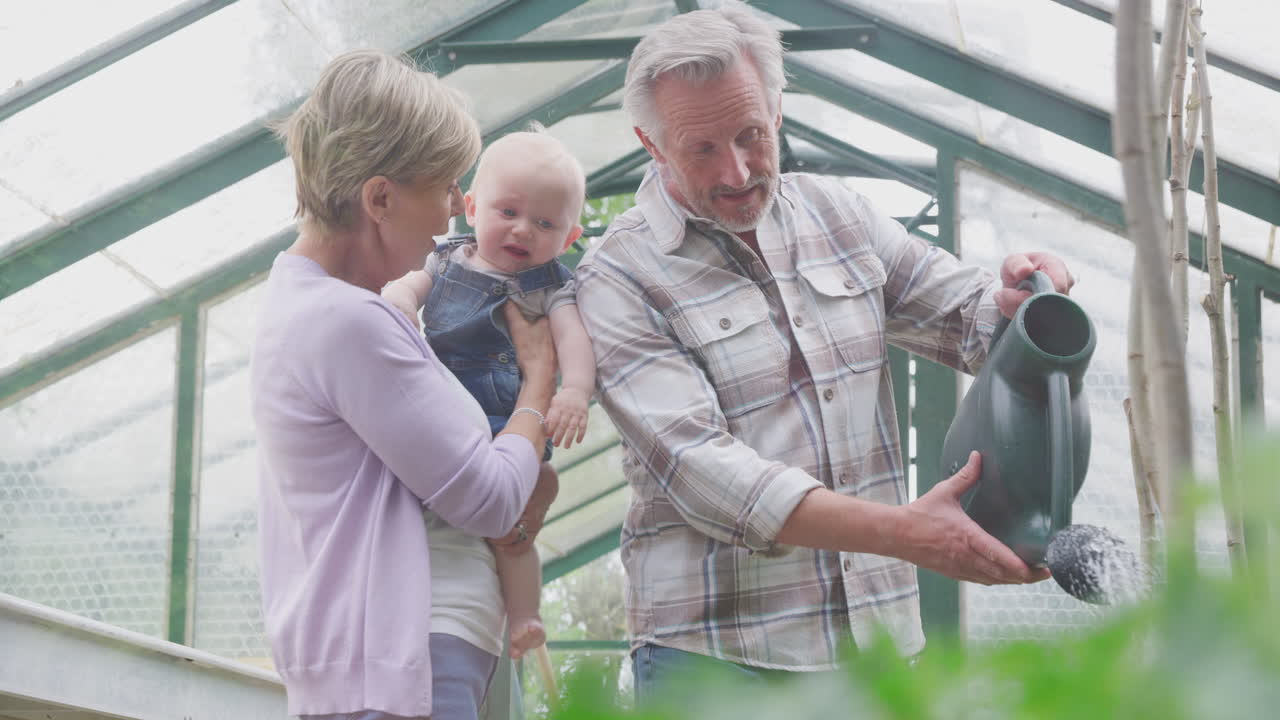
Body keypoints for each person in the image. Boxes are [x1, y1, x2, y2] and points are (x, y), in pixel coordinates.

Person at [572, 3, 1068, 699]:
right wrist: (906, 533)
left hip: (875, 650)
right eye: (702, 149)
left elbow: (964, 314)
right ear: (652, 146)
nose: (739, 170)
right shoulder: (620, 276)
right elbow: (709, 477)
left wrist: (1017, 300)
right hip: (717, 659)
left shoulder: (838, 213)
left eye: (750, 134)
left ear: (777, 108)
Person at [251, 50, 558, 720]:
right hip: (401, 669)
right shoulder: (348, 324)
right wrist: (537, 387)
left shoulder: (304, 300)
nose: (453, 212)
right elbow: (489, 500)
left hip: (374, 666)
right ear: (380, 198)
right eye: (445, 187)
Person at [383, 128, 595, 660]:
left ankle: (524, 617)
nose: (523, 230)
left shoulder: (552, 286)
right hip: (443, 404)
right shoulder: (447, 258)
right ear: (471, 207)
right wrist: (402, 299)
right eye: (508, 211)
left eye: (545, 223)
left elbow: (573, 340)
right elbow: (410, 285)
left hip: (506, 418)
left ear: (569, 238)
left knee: (512, 538)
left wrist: (574, 392)